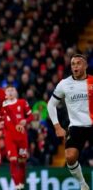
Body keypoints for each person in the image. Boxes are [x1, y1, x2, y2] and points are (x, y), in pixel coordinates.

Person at [47, 54, 92, 190]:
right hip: (76, 126)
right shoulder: (64, 84)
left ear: (85, 66)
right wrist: (57, 126)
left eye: (78, 63)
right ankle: (83, 184)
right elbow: (51, 105)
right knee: (70, 157)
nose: (75, 66)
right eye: (73, 64)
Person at [3, 86, 33, 190]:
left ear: (16, 92)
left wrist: (26, 121)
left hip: (22, 138)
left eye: (12, 90)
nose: (10, 92)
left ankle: (21, 184)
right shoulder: (3, 106)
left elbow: (31, 116)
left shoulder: (22, 102)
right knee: (13, 160)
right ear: (5, 94)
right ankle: (16, 185)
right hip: (10, 138)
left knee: (22, 162)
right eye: (8, 91)